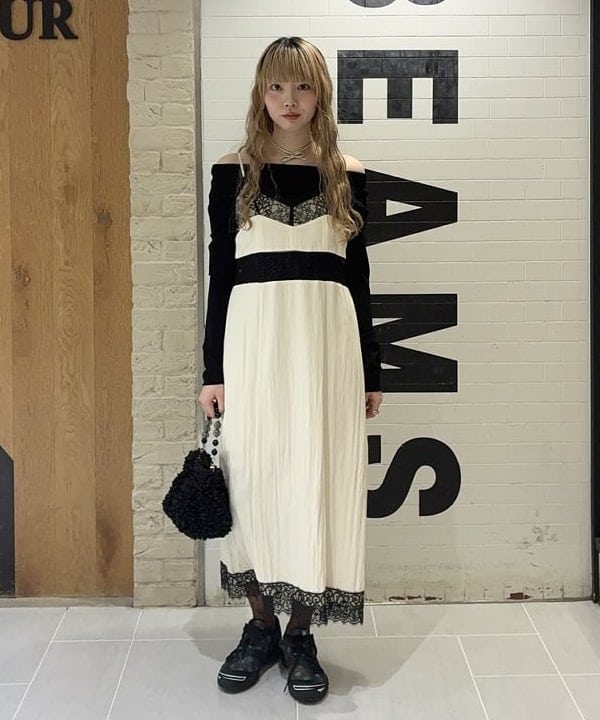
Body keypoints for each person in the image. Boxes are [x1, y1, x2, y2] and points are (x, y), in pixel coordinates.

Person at [198, 36, 383, 704]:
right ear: (261, 92)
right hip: (252, 349)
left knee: (316, 480)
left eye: (302, 86)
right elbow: (221, 276)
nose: (289, 100)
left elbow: (359, 278)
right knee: (251, 481)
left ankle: (301, 634)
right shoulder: (233, 171)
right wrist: (212, 369)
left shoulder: (347, 172)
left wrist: (371, 369)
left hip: (327, 350)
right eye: (276, 86)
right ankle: (260, 628)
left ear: (320, 93)